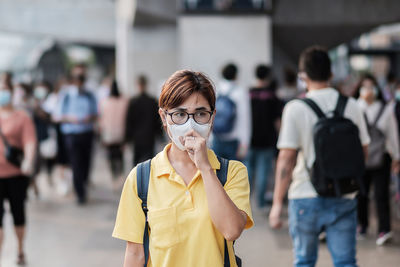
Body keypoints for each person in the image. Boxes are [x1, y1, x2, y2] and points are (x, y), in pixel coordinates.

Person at [113, 70, 253, 267]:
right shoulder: (141, 178)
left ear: (212, 117)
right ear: (164, 117)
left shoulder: (232, 172)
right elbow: (135, 253)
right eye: (179, 114)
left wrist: (205, 168)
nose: (190, 124)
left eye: (201, 114)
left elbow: (231, 230)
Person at [269, 46, 370, 267]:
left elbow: (286, 158)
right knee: (345, 262)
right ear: (331, 74)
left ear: (302, 76)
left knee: (304, 262)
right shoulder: (352, 106)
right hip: (344, 194)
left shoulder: (295, 108)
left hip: (305, 195)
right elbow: (363, 152)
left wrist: (277, 203)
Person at [353, 73, 400, 245]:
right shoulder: (355, 107)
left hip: (382, 157)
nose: (368, 91)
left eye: (371, 86)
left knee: (381, 194)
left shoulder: (386, 108)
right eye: (364, 87)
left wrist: (397, 156)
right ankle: (362, 225)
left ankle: (384, 229)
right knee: (361, 194)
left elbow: (393, 135)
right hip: (360, 158)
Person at [0, 83, 37, 265]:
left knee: (18, 214)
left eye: (4, 90)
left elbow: (29, 141)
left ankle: (20, 249)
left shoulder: (22, 117)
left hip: (16, 175)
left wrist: (28, 161)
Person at [55, 64, 98, 204]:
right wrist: (71, 118)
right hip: (72, 134)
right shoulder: (66, 95)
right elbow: (58, 116)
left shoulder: (90, 95)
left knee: (86, 163)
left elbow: (96, 114)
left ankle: (83, 183)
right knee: (76, 163)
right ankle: (80, 192)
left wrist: (89, 118)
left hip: (86, 132)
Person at [246, 64, 283, 208]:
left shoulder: (248, 93)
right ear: (267, 76)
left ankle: (243, 200)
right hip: (267, 139)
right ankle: (260, 203)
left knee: (248, 169)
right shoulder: (272, 95)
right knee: (263, 171)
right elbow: (277, 120)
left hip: (250, 138)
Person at [212, 63, 251, 161]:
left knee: (216, 173)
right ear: (236, 75)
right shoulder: (240, 92)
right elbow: (244, 119)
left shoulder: (216, 90)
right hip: (233, 141)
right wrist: (244, 143)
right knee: (234, 174)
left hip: (216, 138)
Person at [125, 75, 162, 166]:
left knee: (137, 162)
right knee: (150, 162)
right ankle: (148, 179)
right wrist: (159, 133)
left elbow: (129, 121)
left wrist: (128, 137)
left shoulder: (133, 101)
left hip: (137, 137)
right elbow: (157, 120)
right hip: (149, 135)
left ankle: (137, 179)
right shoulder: (152, 101)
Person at [99, 80, 128, 188]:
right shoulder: (124, 101)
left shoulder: (104, 102)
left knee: (111, 156)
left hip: (109, 135)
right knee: (120, 156)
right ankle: (120, 176)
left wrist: (101, 134)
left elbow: (102, 120)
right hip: (121, 134)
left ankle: (113, 177)